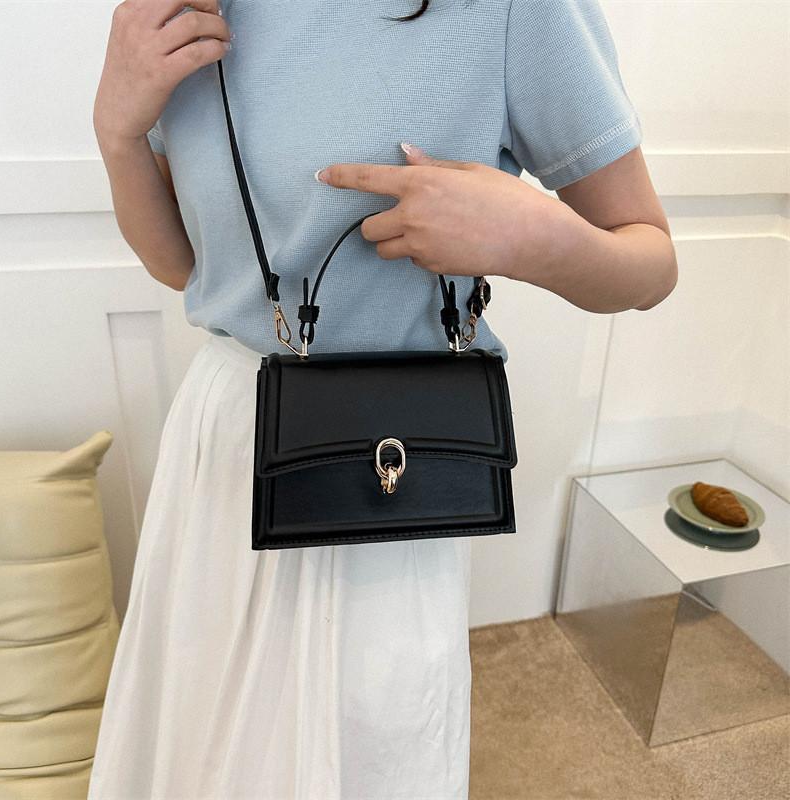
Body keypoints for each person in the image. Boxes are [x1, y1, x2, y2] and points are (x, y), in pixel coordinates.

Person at [87, 1, 677, 797]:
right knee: (201, 746)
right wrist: (117, 133)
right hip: (224, 448)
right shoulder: (192, 5)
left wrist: (528, 236)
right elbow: (187, 267)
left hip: (386, 480)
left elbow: (651, 263)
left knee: (367, 752)